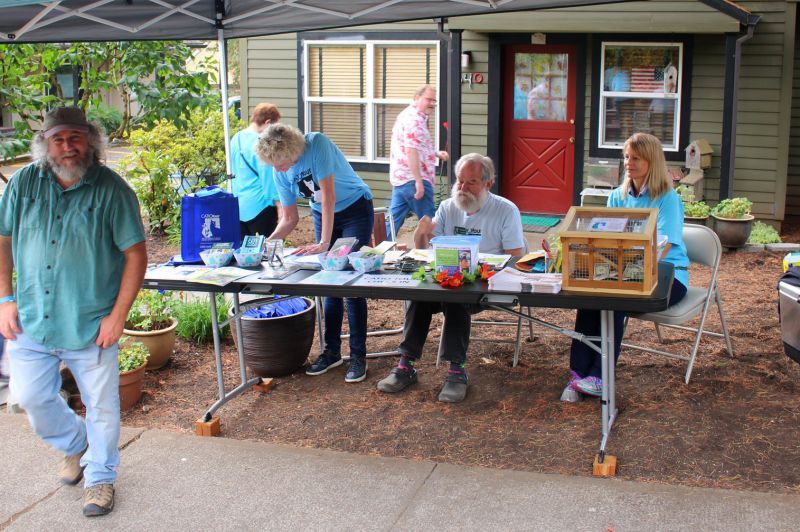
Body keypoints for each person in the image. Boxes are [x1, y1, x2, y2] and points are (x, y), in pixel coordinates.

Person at [0, 107, 147, 516]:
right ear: (45, 143)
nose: (68, 147)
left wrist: (118, 315)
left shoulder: (112, 190)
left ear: (91, 140)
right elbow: (3, 239)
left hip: (89, 321)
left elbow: (136, 255)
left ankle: (100, 477)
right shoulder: (24, 184)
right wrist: (4, 299)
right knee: (29, 397)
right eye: (59, 139)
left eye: (76, 138)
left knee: (102, 405)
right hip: (31, 318)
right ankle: (75, 444)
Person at [377, 153, 525, 403]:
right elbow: (427, 253)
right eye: (459, 181)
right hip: (448, 280)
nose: (463, 188)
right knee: (421, 293)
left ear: (488, 184)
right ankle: (406, 364)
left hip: (486, 286)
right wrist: (419, 236)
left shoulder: (505, 211)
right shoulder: (448, 207)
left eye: (472, 182)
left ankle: (456, 371)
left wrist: (479, 268)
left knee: (456, 295)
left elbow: (515, 258)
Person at [562, 132, 689, 402]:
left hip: (668, 276)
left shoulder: (667, 199)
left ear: (651, 161)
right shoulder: (618, 196)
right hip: (622, 272)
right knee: (588, 296)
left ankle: (600, 376)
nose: (629, 163)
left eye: (636, 158)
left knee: (614, 300)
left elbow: (663, 246)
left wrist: (624, 265)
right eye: (627, 157)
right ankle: (578, 374)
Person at [256, 123, 374, 383]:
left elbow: (329, 196)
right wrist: (266, 244)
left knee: (350, 282)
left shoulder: (316, 144)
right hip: (324, 214)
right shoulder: (279, 172)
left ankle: (358, 356)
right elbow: (289, 218)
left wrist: (323, 242)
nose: (278, 169)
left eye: (280, 162)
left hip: (354, 208)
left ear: (292, 149)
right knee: (328, 282)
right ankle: (331, 351)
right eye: (272, 164)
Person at [387, 85, 449, 238]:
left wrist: (435, 153)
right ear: (417, 98)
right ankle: (441, 255)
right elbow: (410, 151)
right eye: (428, 99)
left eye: (434, 100)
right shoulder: (414, 120)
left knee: (393, 222)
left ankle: (376, 252)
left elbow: (413, 145)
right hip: (413, 180)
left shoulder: (408, 115)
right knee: (430, 223)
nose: (432, 103)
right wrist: (418, 182)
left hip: (401, 179)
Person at [230, 102, 282, 237]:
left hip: (240, 205)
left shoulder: (236, 138)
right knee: (267, 251)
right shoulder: (262, 142)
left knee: (245, 253)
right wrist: (279, 204)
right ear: (268, 122)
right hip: (262, 206)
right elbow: (269, 177)